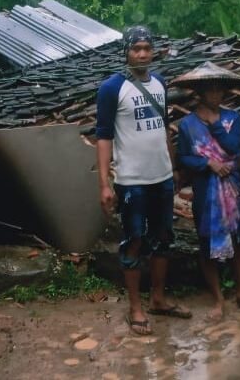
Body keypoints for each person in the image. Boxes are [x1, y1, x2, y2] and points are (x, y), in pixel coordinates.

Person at [95, 26, 192, 335]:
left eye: (146, 48)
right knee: (135, 240)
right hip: (132, 181)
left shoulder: (160, 84)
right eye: (136, 48)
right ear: (126, 52)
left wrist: (173, 167)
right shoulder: (112, 88)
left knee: (163, 239)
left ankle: (159, 299)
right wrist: (104, 184)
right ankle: (135, 307)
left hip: (162, 177)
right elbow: (103, 137)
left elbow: (164, 128)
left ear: (153, 52)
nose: (141, 54)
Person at [173, 61, 240, 321]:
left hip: (232, 190)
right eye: (210, 90)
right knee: (206, 247)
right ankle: (218, 300)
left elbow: (232, 148)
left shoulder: (232, 118)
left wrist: (214, 124)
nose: (215, 95)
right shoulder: (187, 125)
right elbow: (184, 158)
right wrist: (207, 163)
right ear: (200, 93)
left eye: (219, 90)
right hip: (205, 191)